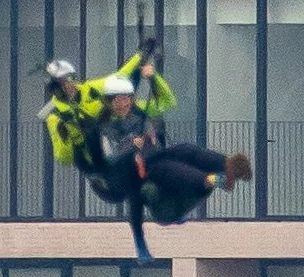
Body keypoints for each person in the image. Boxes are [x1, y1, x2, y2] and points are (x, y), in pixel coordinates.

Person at [39, 45, 251, 261]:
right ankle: (147, 237)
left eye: (72, 79)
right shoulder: (64, 118)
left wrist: (146, 65)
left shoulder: (98, 93)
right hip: (109, 177)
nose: (125, 103)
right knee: (144, 184)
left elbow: (153, 94)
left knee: (181, 151)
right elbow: (69, 157)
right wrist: (73, 138)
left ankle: (227, 165)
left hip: (141, 161)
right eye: (65, 83)